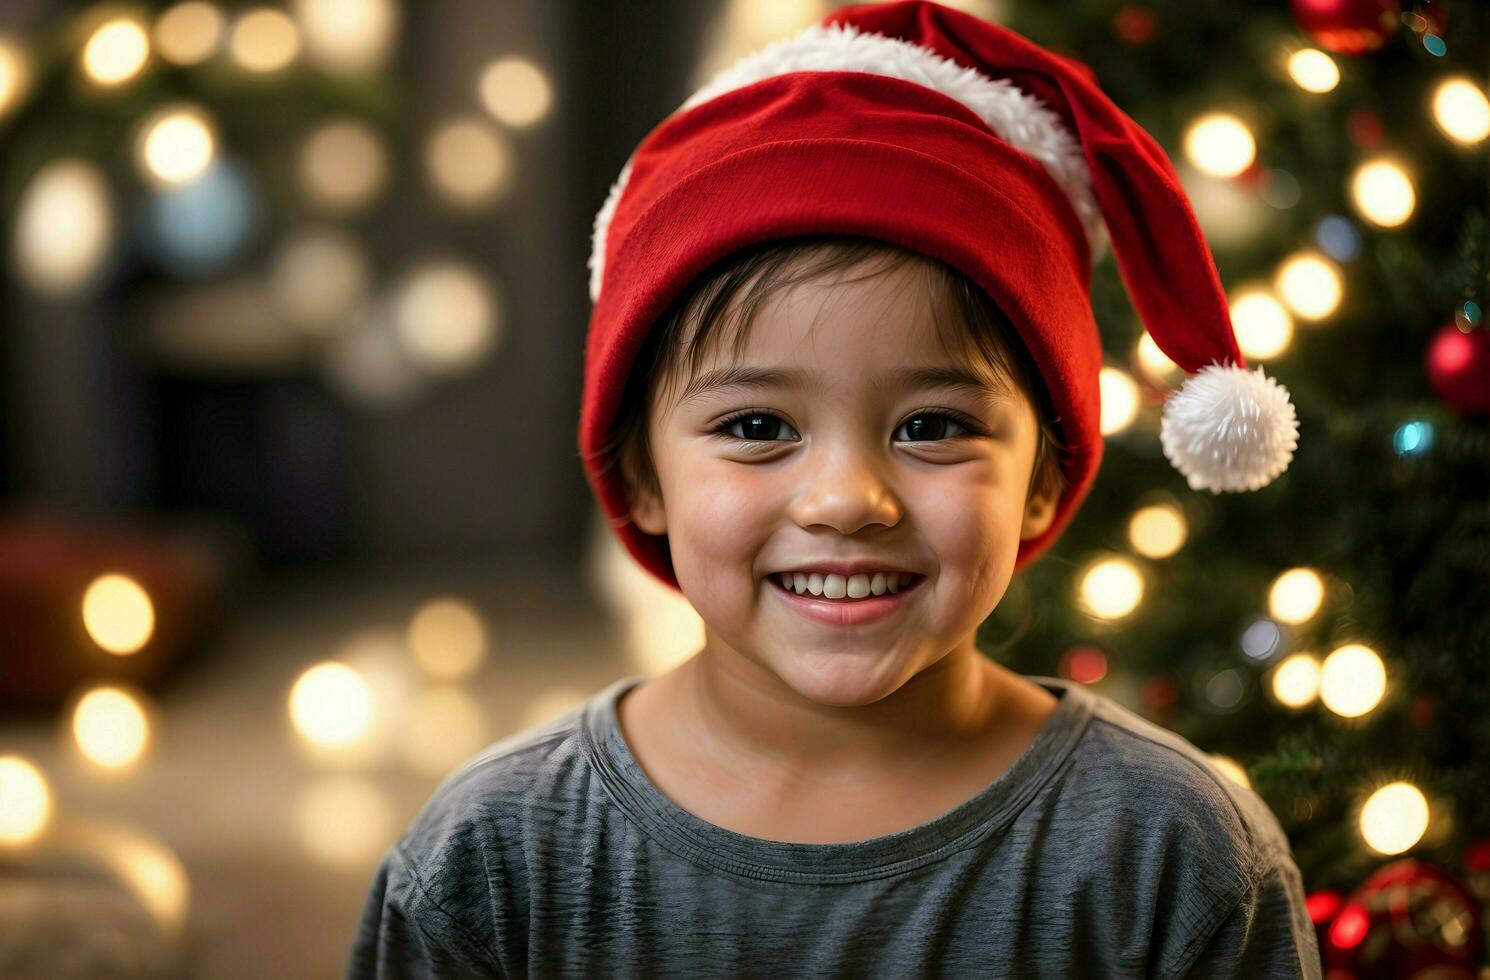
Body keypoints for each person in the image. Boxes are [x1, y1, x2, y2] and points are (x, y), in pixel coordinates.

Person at [347, 2, 1317, 977]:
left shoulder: (1174, 854)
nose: (848, 498)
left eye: (931, 426)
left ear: (1043, 476)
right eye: (757, 427)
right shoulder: (493, 856)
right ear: (639, 473)